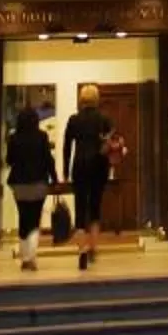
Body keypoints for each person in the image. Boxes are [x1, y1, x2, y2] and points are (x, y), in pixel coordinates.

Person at [62, 83, 114, 271]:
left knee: (80, 206)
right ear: (97, 99)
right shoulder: (104, 119)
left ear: (81, 99)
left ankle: (81, 250)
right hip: (99, 166)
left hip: (80, 166)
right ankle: (93, 247)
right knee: (95, 207)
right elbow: (111, 144)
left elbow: (67, 146)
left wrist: (66, 171)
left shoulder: (74, 120)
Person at [5, 104, 56, 272]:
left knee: (23, 218)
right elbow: (49, 160)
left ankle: (25, 257)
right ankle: (30, 257)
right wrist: (54, 178)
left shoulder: (14, 138)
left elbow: (9, 160)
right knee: (34, 220)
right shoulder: (42, 137)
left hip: (19, 183)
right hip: (38, 182)